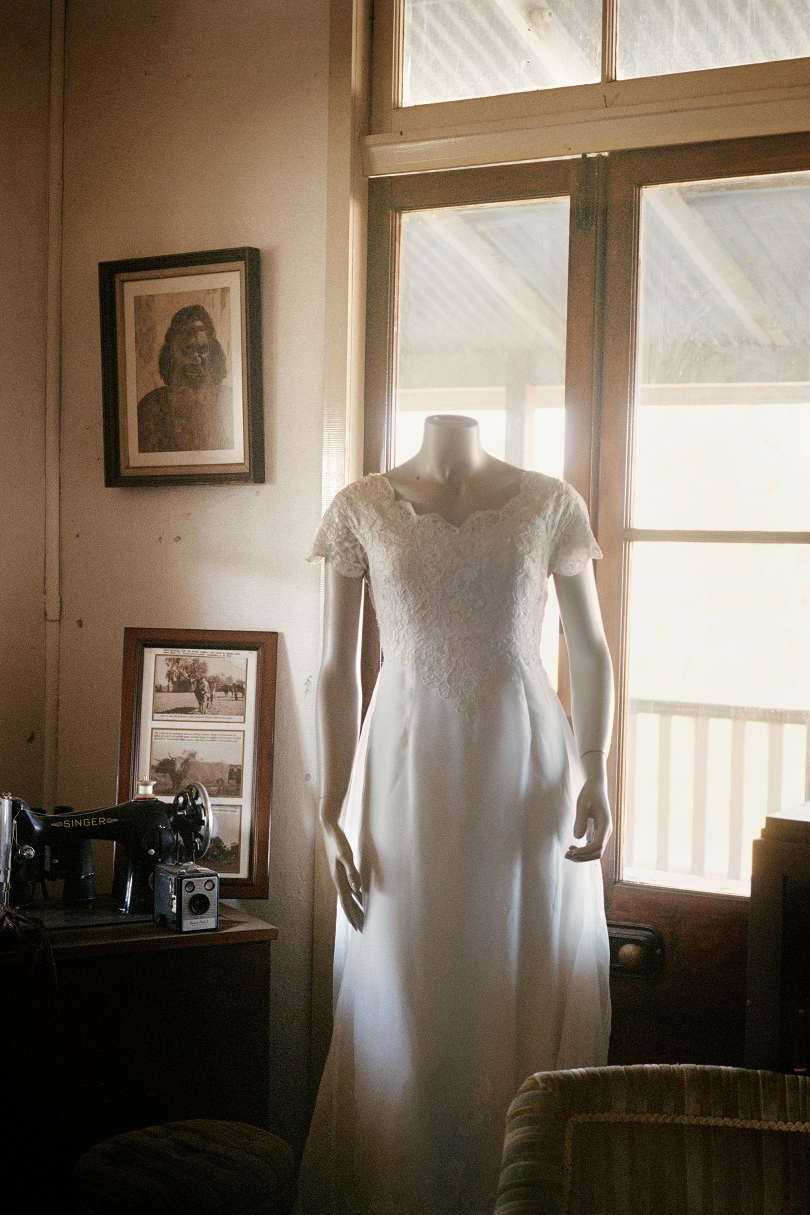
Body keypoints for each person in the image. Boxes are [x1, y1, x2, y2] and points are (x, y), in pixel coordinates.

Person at [300, 415, 612, 1214]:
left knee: (518, 974)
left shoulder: (550, 504)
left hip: (523, 773)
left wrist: (597, 770)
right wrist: (329, 809)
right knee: (409, 990)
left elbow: (592, 650)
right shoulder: (359, 508)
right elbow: (336, 669)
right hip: (403, 773)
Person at [136, 304, 235, 453]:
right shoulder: (150, 407)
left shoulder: (231, 401)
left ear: (213, 353)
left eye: (202, 349)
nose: (196, 360)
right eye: (187, 349)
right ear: (171, 356)